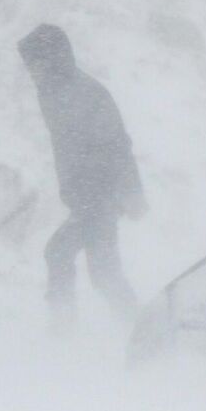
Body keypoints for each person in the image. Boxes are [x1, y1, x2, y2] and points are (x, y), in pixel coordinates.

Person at [18, 24, 145, 328]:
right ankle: (139, 326)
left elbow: (117, 142)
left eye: (35, 63)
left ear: (52, 59)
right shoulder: (51, 92)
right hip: (87, 196)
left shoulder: (84, 92)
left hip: (100, 194)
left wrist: (128, 191)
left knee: (62, 255)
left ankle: (65, 328)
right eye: (28, 65)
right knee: (103, 273)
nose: (30, 71)